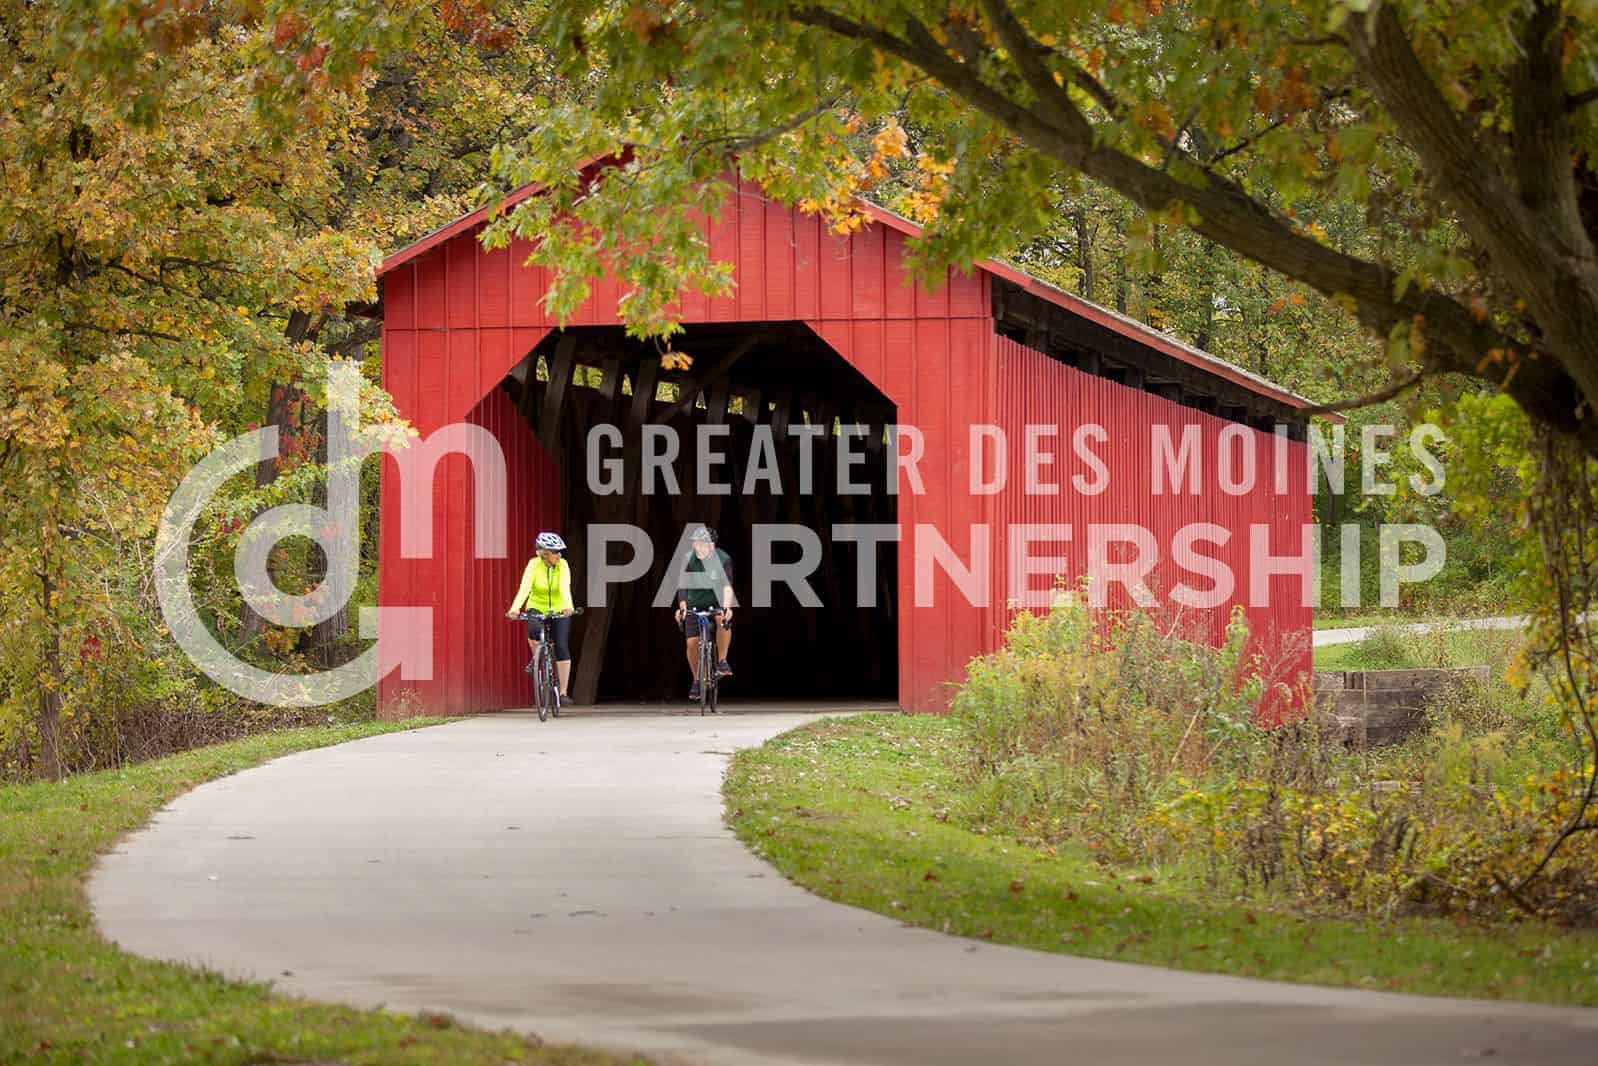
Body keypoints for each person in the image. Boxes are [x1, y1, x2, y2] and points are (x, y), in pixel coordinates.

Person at [507, 531, 575, 701]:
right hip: (537, 606)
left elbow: (564, 588)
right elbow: (525, 588)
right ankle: (538, 656)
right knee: (534, 631)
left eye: (560, 552)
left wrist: (568, 607)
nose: (559, 555)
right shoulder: (533, 565)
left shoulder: (563, 565)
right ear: (545, 553)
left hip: (559, 607)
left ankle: (563, 692)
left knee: (560, 644)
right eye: (556, 552)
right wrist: (515, 609)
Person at [673, 526, 734, 702]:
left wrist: (727, 606)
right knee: (692, 643)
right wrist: (683, 607)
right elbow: (682, 586)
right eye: (696, 544)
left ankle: (722, 661)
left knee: (723, 619)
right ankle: (697, 679)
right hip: (694, 604)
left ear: (712, 546)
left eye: (702, 544)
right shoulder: (688, 559)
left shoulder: (723, 559)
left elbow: (727, 586)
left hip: (715, 602)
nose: (698, 548)